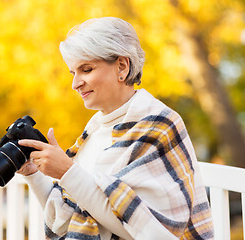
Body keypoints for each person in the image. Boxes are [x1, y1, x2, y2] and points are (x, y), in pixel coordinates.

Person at [14, 17, 214, 239]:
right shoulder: (94, 132)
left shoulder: (159, 125)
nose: (75, 83)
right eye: (73, 73)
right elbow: (65, 220)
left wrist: (68, 172)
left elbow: (148, 230)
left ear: (122, 66)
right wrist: (33, 173)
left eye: (86, 69)